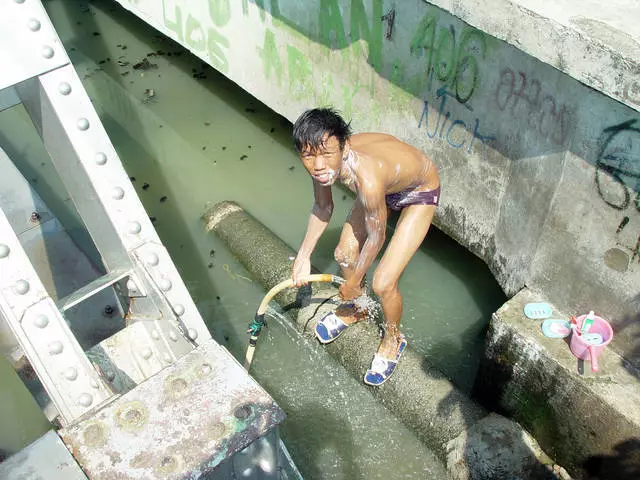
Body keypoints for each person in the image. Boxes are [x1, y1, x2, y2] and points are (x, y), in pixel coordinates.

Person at [291, 107, 440, 386]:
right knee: (344, 253)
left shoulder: (367, 178)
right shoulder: (321, 163)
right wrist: (303, 257)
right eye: (308, 155)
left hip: (417, 190)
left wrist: (355, 281)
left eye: (326, 155)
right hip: (389, 176)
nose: (318, 165)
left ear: (344, 147)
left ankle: (393, 338)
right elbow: (323, 206)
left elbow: (376, 237)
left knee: (383, 283)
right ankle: (357, 309)